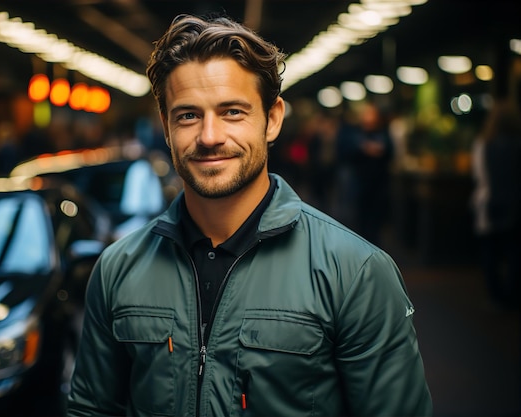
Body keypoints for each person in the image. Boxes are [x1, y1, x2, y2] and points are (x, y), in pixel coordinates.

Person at [67, 13, 432, 417]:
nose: (209, 136)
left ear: (272, 119)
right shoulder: (118, 269)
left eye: (232, 112)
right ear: (166, 129)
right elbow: (92, 409)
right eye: (188, 115)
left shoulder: (356, 273)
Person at [470, 97, 521, 309]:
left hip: (490, 201)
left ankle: (495, 296)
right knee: (514, 252)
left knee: (490, 251)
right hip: (516, 203)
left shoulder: (483, 144)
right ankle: (512, 295)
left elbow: (479, 174)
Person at [335, 101, 395, 247]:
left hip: (378, 185)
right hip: (358, 184)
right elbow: (343, 152)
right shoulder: (354, 132)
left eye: (372, 114)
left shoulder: (383, 133)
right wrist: (363, 149)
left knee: (375, 221)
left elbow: (391, 153)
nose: (369, 118)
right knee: (358, 218)